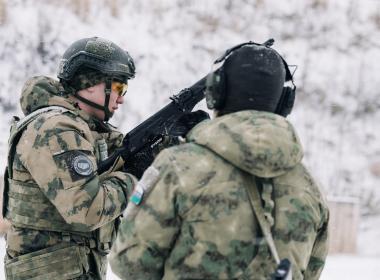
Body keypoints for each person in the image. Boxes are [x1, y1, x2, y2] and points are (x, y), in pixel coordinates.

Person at [109, 40, 330, 280]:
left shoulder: (178, 167)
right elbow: (311, 271)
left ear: (216, 93)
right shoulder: (310, 187)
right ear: (284, 102)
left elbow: (128, 263)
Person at [2, 37, 138, 279]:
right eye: (118, 87)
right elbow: (89, 209)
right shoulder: (55, 129)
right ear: (89, 85)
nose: (122, 98)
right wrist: (133, 177)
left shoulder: (83, 129)